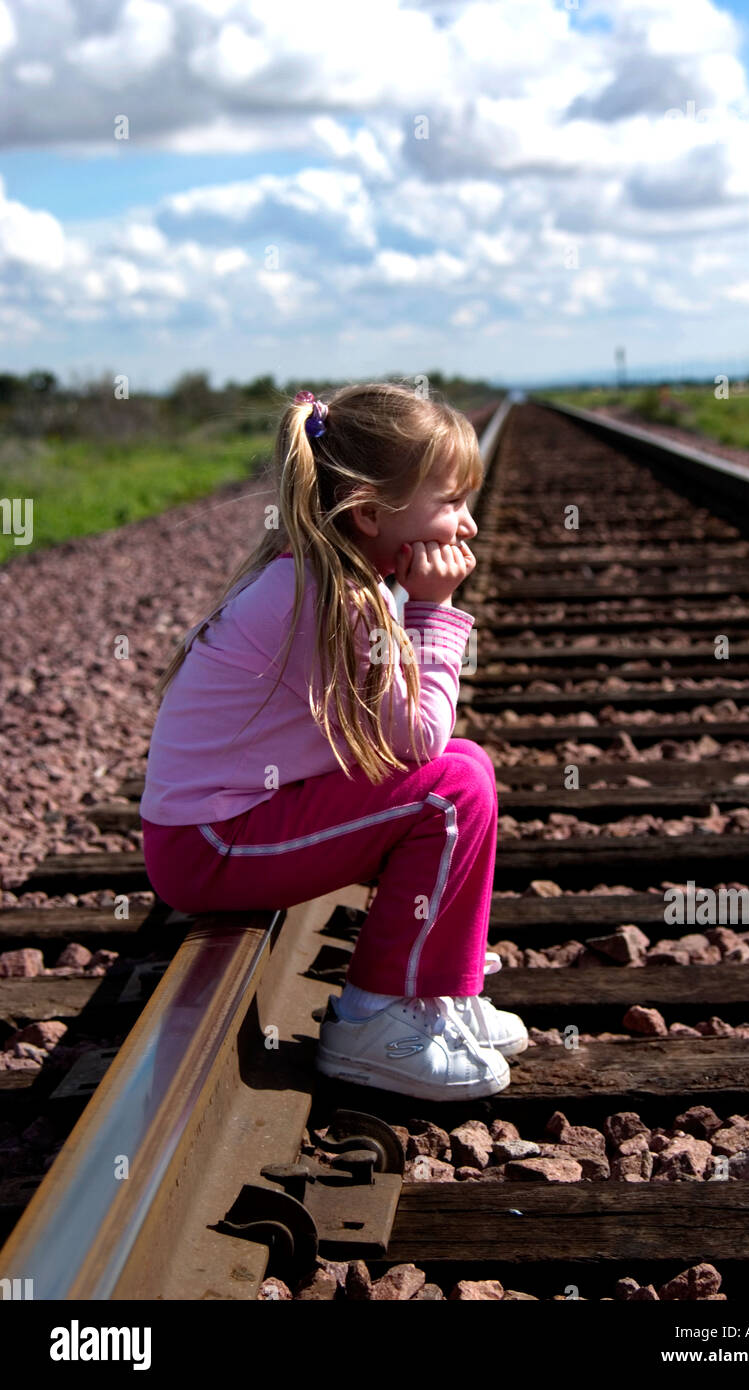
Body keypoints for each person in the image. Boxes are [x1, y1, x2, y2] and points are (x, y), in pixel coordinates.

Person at [140, 381, 527, 1101]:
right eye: (450, 502)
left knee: (466, 765)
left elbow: (411, 736)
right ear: (372, 512)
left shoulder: (335, 577)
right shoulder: (337, 596)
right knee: (452, 789)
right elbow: (416, 737)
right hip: (209, 844)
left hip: (224, 828)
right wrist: (436, 614)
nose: (468, 524)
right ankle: (374, 1018)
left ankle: (440, 986)